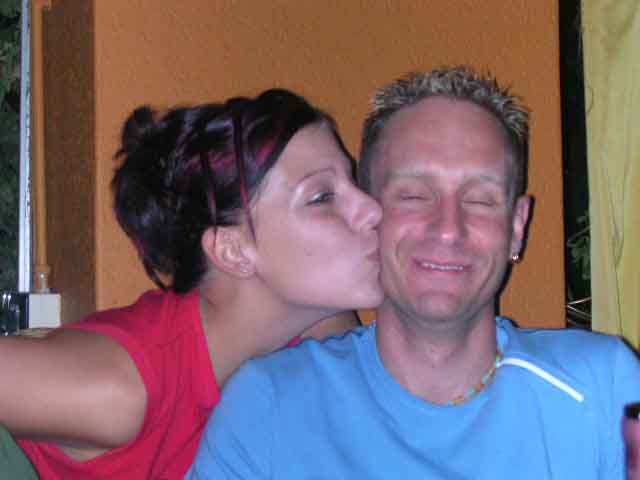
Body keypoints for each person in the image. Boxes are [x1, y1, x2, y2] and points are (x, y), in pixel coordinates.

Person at [188, 66, 640, 479]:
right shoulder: (269, 407)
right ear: (369, 215)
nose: (448, 228)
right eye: (413, 195)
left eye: (480, 199)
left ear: (516, 228)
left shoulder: (602, 389)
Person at [0, 88, 383, 479]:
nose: (373, 209)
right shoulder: (120, 389)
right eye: (322, 197)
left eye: (353, 181)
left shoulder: (322, 336)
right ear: (232, 250)